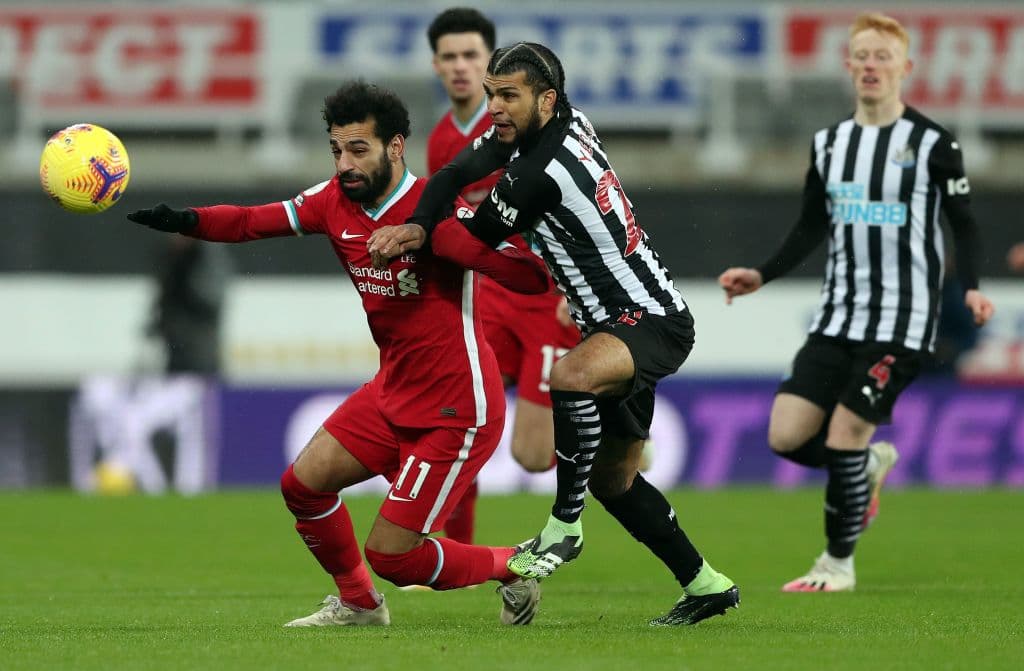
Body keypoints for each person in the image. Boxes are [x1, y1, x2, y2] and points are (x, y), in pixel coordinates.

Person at [126, 80, 552, 626]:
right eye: (336, 149)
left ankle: (515, 566)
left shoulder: (436, 210)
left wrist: (440, 240)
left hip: (457, 407)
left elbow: (529, 276)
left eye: (358, 150)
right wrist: (187, 221)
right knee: (302, 486)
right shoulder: (333, 201)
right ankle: (359, 603)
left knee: (394, 556)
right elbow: (253, 221)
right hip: (393, 390)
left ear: (395, 147)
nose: (344, 163)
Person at [368, 42, 738, 625]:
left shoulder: (538, 173)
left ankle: (564, 526)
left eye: (507, 95)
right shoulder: (561, 123)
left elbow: (476, 239)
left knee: (570, 374)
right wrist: (420, 220)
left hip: (647, 320)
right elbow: (455, 173)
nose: (494, 107)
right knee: (616, 480)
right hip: (621, 322)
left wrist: (422, 232)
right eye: (491, 94)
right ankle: (706, 584)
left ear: (545, 99)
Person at [718, 13, 995, 592]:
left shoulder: (933, 144)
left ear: (905, 68)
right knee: (785, 436)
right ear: (848, 65)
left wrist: (970, 284)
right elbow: (809, 227)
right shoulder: (829, 143)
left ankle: (837, 563)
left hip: (903, 320)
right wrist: (760, 275)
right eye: (861, 56)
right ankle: (865, 469)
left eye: (882, 57)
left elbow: (963, 225)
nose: (871, 66)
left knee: (847, 431)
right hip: (838, 316)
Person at [424, 8, 581, 549]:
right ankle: (450, 551)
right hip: (488, 296)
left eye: (471, 55)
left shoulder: (525, 124)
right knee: (456, 412)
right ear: (436, 65)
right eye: (450, 57)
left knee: (532, 457)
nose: (461, 67)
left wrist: (573, 288)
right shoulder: (444, 140)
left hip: (545, 293)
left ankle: (617, 429)